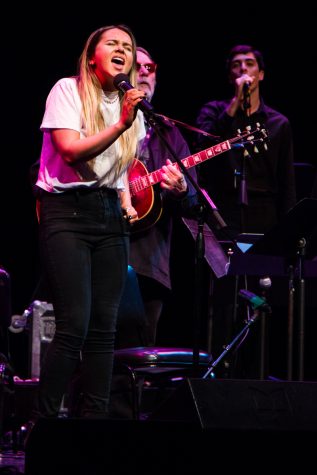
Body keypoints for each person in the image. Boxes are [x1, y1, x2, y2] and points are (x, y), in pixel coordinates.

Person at [28, 24, 150, 425]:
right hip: (67, 212)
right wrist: (120, 124)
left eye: (128, 47)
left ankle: (93, 428)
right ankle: (43, 426)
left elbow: (118, 170)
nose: (122, 50)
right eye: (112, 44)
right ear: (92, 55)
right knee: (74, 325)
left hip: (108, 217)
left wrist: (127, 198)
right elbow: (71, 151)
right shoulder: (68, 90)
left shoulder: (132, 109)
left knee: (104, 330)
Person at [195, 45, 297, 378]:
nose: (243, 70)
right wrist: (236, 105)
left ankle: (258, 376)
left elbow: (287, 182)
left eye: (250, 65)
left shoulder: (279, 123)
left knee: (260, 300)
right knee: (224, 301)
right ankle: (219, 375)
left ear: (261, 74)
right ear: (230, 76)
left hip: (265, 216)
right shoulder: (214, 114)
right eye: (237, 66)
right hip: (224, 216)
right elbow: (202, 157)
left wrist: (288, 233)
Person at [127, 46, 199, 347]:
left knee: (136, 359)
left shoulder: (170, 135)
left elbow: (193, 199)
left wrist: (181, 189)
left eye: (151, 67)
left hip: (149, 264)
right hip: (96, 253)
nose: (145, 72)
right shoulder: (96, 123)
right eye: (137, 66)